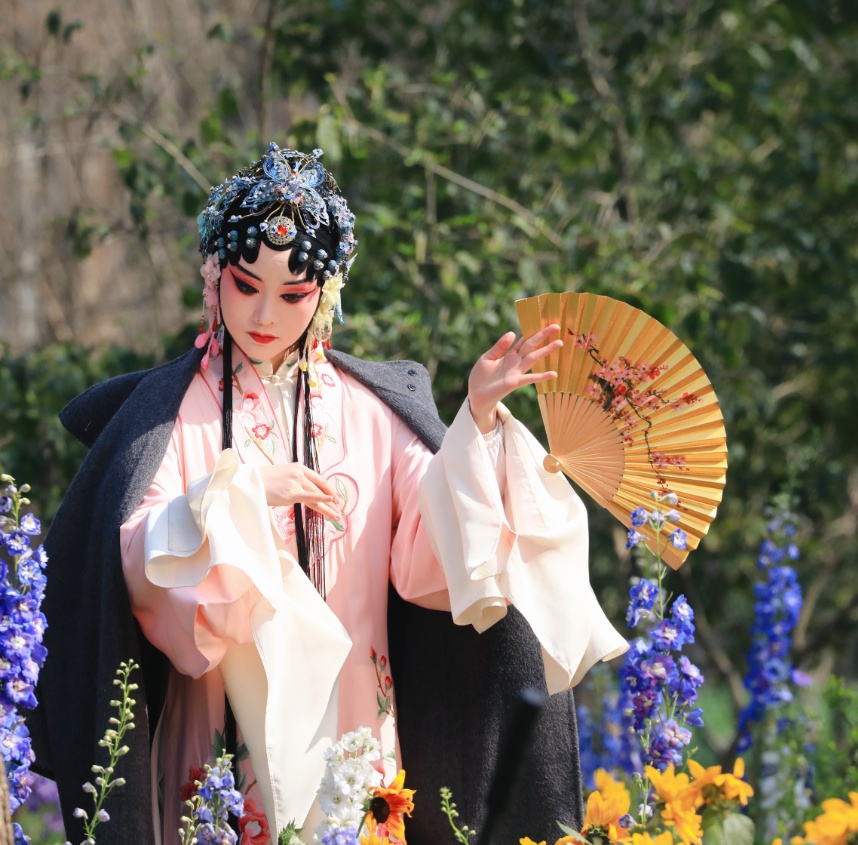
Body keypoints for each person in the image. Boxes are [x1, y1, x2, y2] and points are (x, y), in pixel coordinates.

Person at [29, 144, 626, 845]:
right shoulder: (173, 411)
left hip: (355, 718)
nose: (264, 313)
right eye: (246, 284)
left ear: (327, 293)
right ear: (214, 274)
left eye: (292, 295)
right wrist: (244, 494)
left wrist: (481, 419)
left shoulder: (369, 409)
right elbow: (136, 561)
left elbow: (432, 552)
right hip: (220, 719)